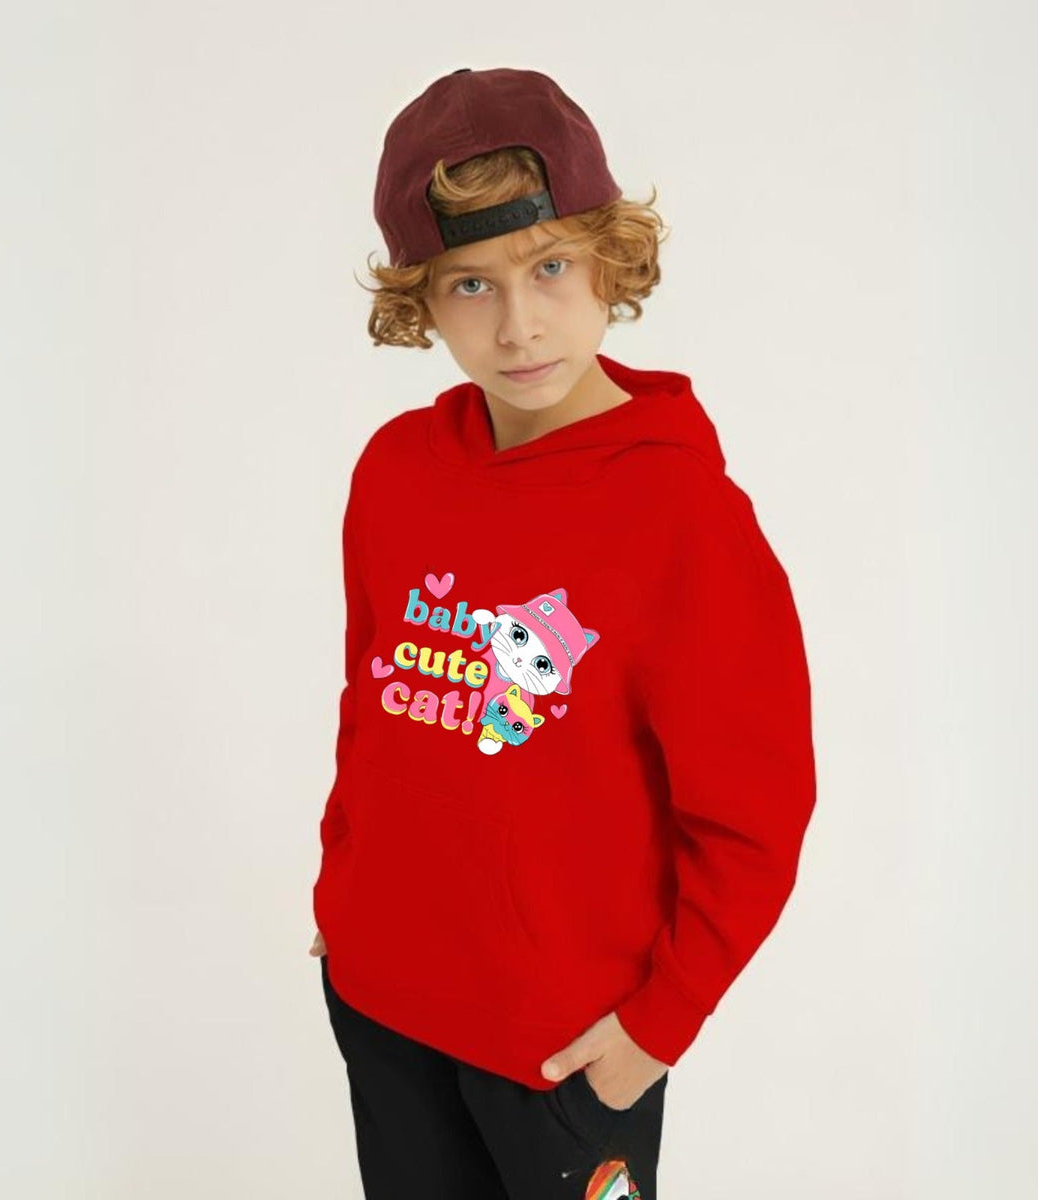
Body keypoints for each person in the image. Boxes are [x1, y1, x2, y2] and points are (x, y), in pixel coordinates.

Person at [307, 65, 817, 1200]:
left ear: (607, 259)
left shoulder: (682, 512)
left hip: (566, 1050)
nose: (519, 323)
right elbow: (373, 698)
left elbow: (755, 812)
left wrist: (657, 1029)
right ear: (422, 299)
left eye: (548, 266)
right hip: (383, 1000)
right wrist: (345, 887)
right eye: (471, 285)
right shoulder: (396, 471)